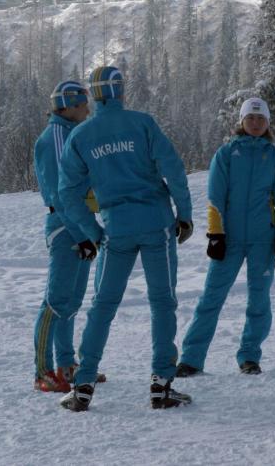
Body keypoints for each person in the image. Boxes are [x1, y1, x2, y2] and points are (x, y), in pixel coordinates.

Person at [57, 65, 194, 411]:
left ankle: (84, 384)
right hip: (156, 224)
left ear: (94, 94)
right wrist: (185, 214)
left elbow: (67, 194)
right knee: (162, 301)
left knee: (103, 306)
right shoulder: (142, 123)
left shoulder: (81, 135)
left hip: (115, 229)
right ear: (120, 91)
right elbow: (174, 169)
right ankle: (161, 386)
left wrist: (93, 232)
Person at [176, 98, 275, 377]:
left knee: (259, 300)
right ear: (241, 121)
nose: (255, 123)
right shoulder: (227, 154)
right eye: (250, 118)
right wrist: (216, 234)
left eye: (261, 119)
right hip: (228, 241)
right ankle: (192, 358)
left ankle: (250, 356)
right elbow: (215, 197)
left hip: (262, 241)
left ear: (267, 124)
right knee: (211, 298)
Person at [33, 80, 105, 392]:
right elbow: (62, 193)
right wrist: (83, 233)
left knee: (72, 301)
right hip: (66, 228)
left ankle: (66, 364)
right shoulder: (58, 137)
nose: (87, 110)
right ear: (67, 107)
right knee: (56, 300)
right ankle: (43, 371)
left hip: (78, 227)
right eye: (81, 105)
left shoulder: (70, 133)